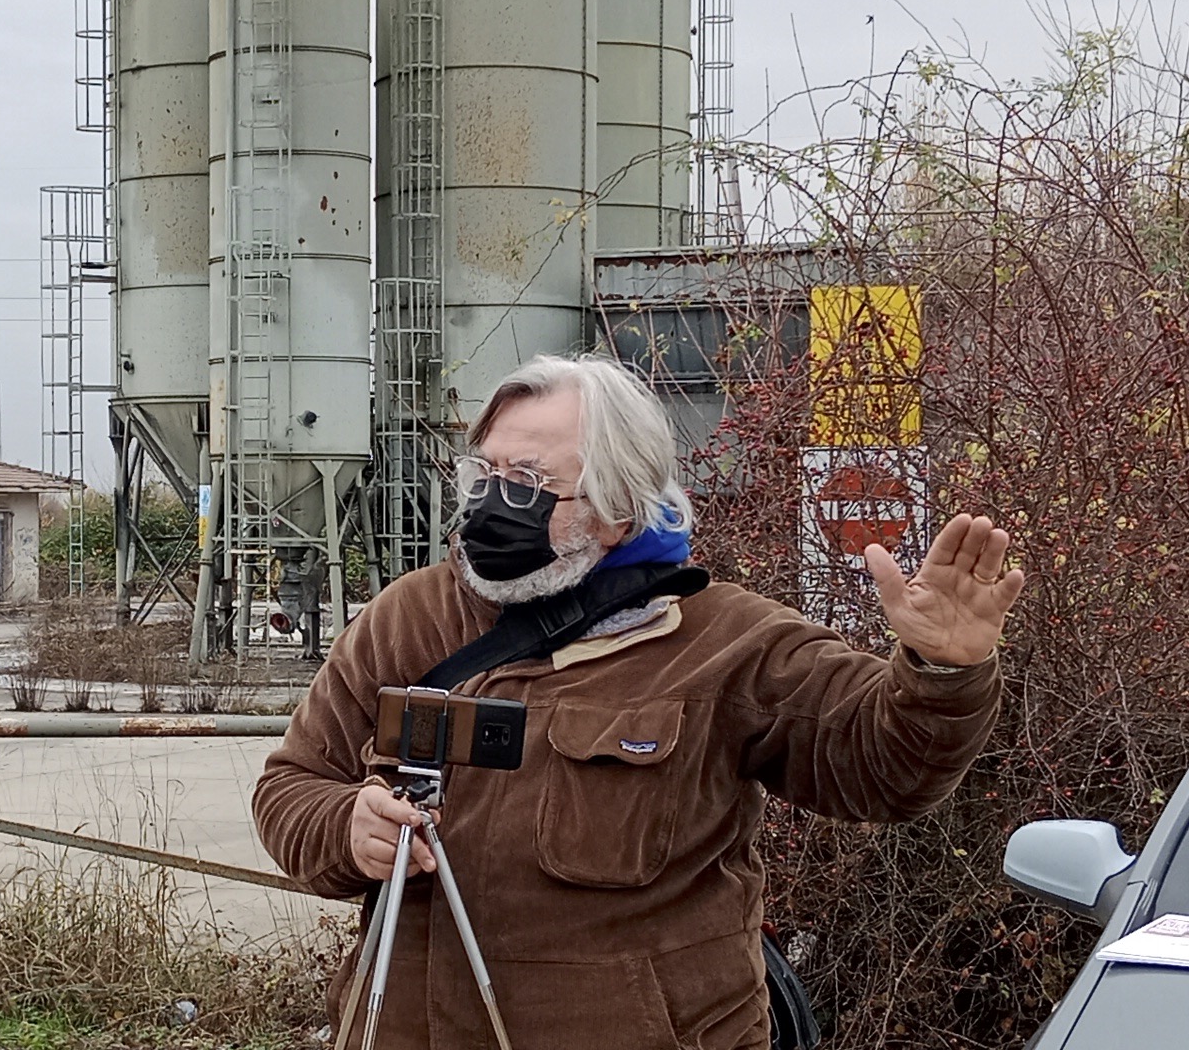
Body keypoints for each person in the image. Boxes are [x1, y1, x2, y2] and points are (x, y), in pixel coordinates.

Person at [252, 354, 1025, 1050]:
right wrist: (345, 829)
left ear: (619, 505)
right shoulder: (412, 617)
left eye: (525, 483)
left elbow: (883, 768)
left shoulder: (729, 641)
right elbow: (290, 788)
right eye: (479, 477)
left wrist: (938, 669)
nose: (489, 505)